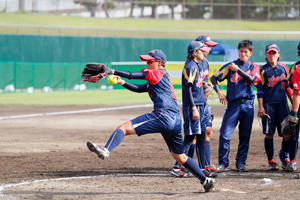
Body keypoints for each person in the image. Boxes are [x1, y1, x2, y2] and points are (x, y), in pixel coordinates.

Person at [86, 49, 215, 192]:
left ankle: (105, 150)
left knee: (123, 128)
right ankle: (205, 180)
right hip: (176, 120)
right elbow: (139, 88)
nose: (147, 63)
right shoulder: (162, 76)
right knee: (180, 156)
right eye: (146, 61)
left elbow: (132, 75)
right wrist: (122, 82)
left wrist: (112, 71)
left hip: (163, 116)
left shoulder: (155, 73)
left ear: (159, 63)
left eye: (150, 61)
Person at [210, 40, 260, 172]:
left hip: (248, 105)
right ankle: (223, 163)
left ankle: (241, 162)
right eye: (241, 51)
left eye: (246, 52)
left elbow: (253, 80)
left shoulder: (254, 67)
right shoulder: (230, 66)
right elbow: (213, 78)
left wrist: (238, 71)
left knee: (245, 136)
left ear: (250, 53)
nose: (243, 54)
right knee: (225, 134)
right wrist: (219, 92)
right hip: (233, 105)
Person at [171, 40, 217, 178]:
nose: (204, 52)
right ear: (194, 52)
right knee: (190, 138)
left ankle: (204, 167)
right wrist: (193, 108)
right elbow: (188, 89)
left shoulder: (197, 65)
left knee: (201, 135)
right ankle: (178, 167)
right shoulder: (190, 66)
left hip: (201, 104)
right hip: (193, 106)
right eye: (201, 50)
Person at [256, 44, 293, 170]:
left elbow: (288, 87)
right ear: (266, 55)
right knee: (269, 134)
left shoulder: (284, 69)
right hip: (268, 106)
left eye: (274, 53)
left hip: (283, 106)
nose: (272, 55)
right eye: (269, 53)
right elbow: (260, 90)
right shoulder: (262, 70)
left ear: (278, 55)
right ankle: (271, 160)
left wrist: (294, 103)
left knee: (287, 133)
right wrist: (261, 107)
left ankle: (284, 155)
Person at [195, 35, 219, 173]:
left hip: (203, 102)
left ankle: (206, 163)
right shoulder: (194, 63)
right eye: (207, 45)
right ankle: (180, 164)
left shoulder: (205, 62)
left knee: (207, 131)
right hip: (195, 104)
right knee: (194, 135)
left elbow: (204, 83)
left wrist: (206, 105)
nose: (209, 48)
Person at [285, 41, 300, 172]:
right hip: (298, 106)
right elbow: (296, 92)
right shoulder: (297, 68)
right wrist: (294, 112)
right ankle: (292, 160)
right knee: (293, 133)